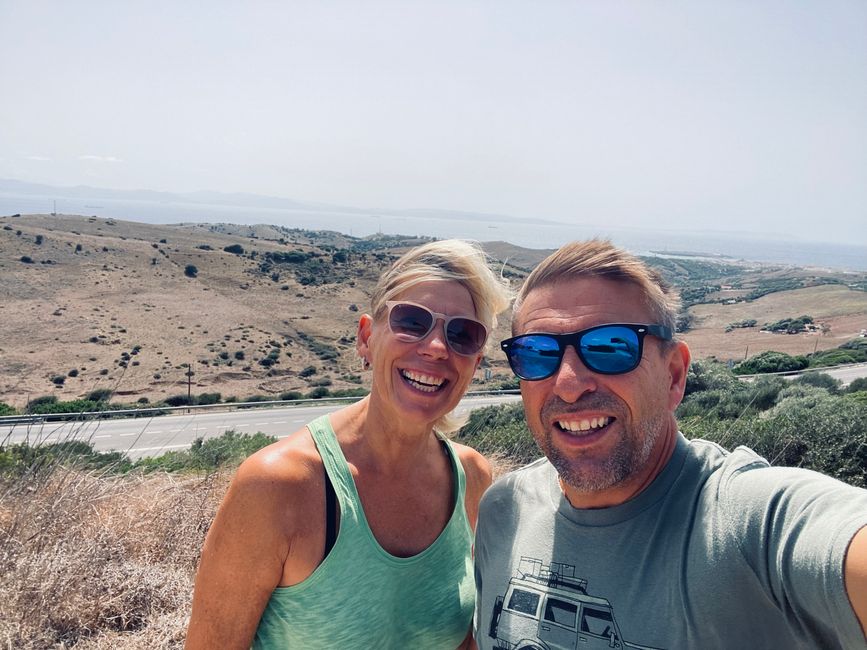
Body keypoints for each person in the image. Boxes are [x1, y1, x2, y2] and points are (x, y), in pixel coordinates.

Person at [474, 239, 867, 649]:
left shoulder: (745, 521)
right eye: (536, 354)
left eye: (610, 348)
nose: (569, 385)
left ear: (674, 376)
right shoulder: (504, 510)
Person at [186, 239, 511, 649]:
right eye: (412, 321)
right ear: (366, 338)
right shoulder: (279, 485)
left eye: (462, 334)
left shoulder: (472, 478)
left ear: (476, 363)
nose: (435, 347)